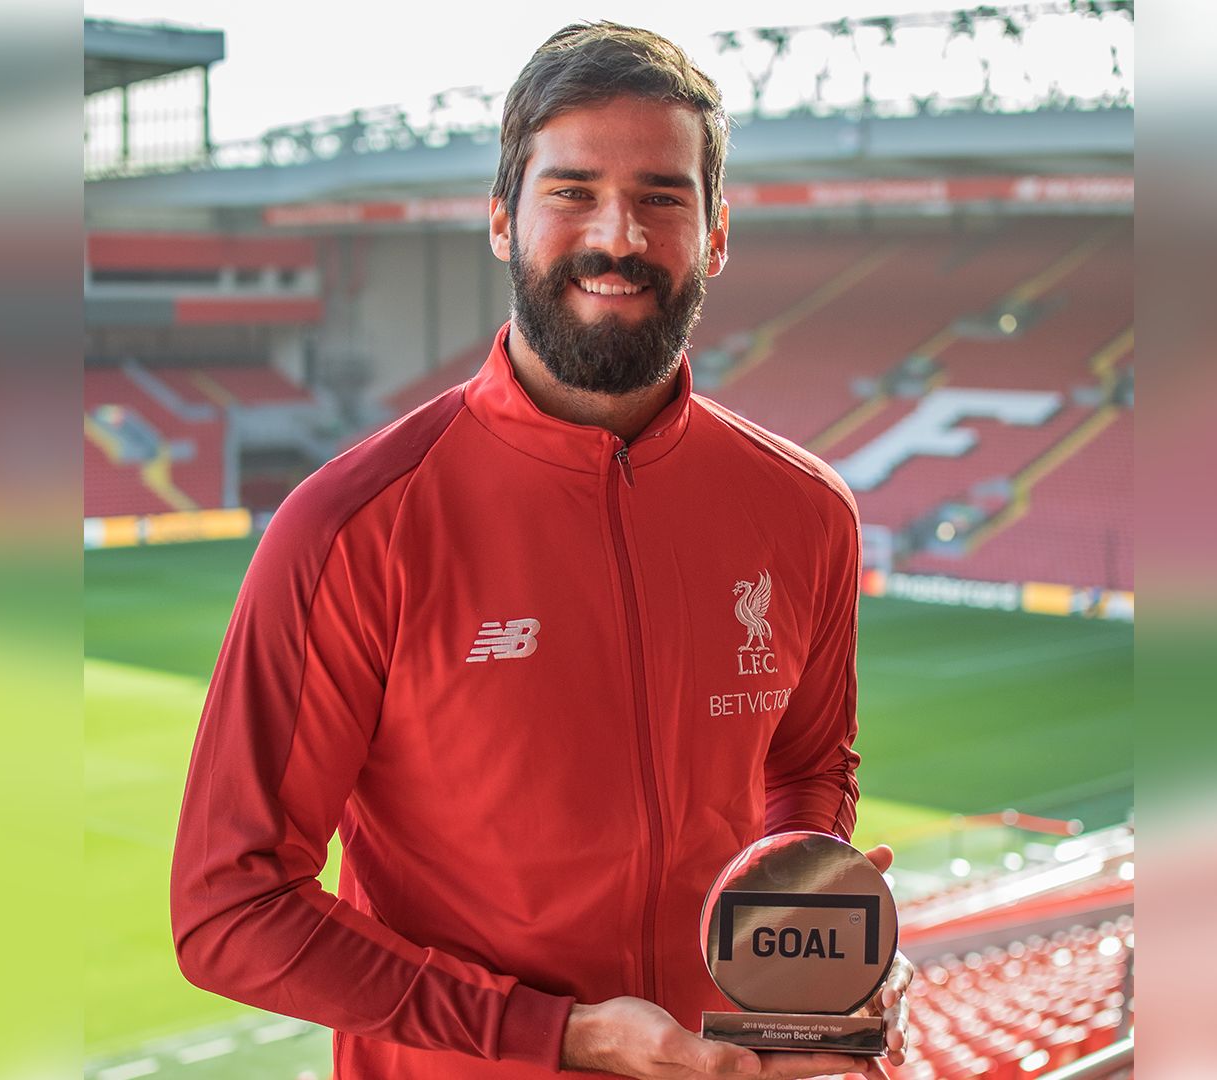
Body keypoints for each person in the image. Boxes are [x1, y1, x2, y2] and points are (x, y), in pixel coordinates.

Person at [171, 21, 912, 1080]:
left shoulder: (804, 510)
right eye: (571, 192)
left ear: (715, 234)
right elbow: (229, 908)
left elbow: (803, 769)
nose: (620, 235)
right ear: (500, 221)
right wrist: (556, 1034)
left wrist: (812, 949)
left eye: (663, 196)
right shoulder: (352, 528)